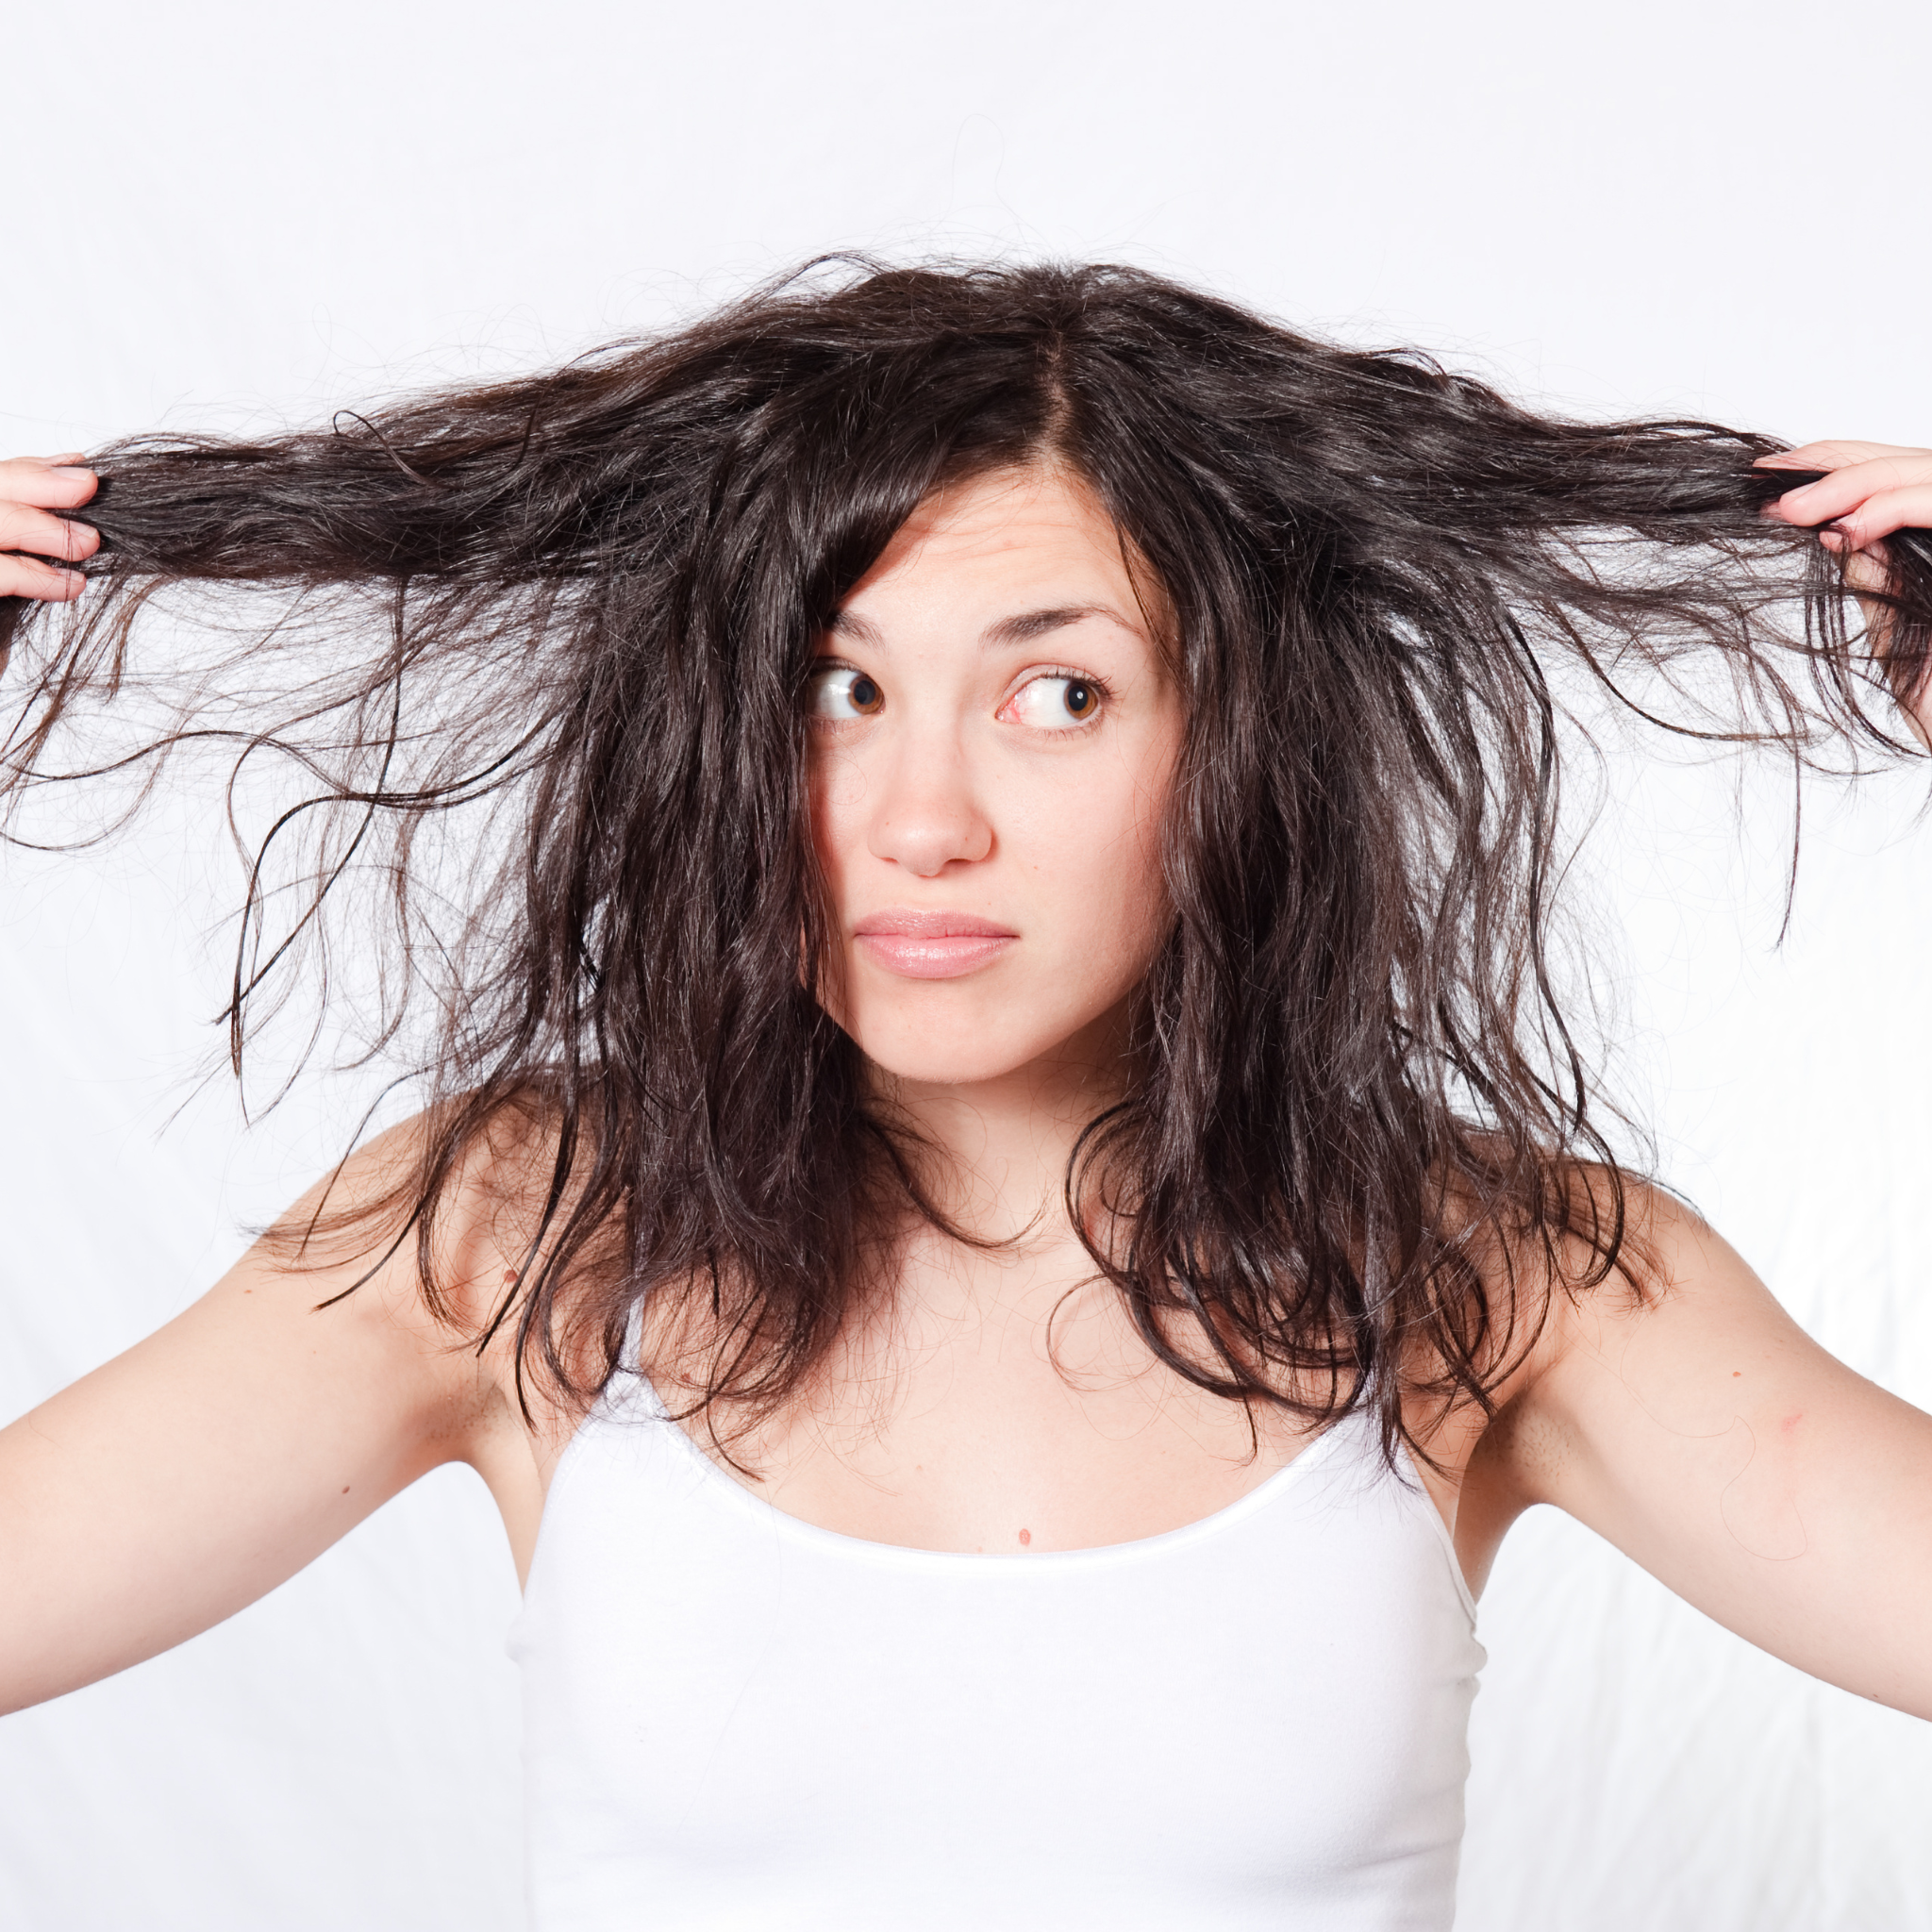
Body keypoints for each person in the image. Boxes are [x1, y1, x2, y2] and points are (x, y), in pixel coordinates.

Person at [0, 260, 1928, 1931]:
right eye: (838, 692)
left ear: (1238, 747)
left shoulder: (1493, 1277)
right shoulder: (521, 1235)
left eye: (1056, 695)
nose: (919, 821)